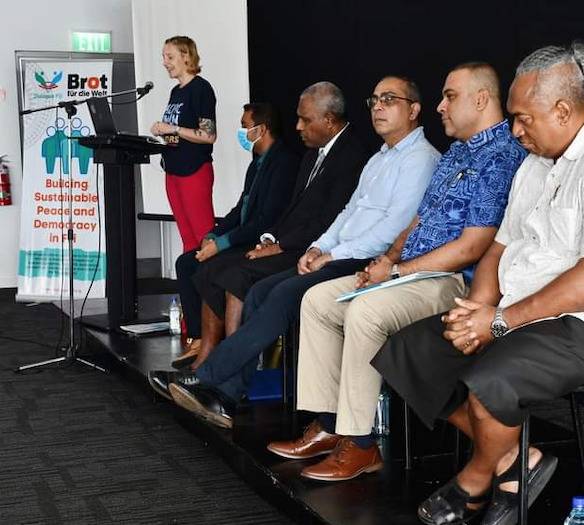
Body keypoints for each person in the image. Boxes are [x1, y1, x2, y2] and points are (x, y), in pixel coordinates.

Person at [370, 42, 584, 525]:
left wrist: (499, 323)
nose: (514, 131)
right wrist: (480, 307)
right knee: (412, 351)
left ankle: (476, 478)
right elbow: (495, 251)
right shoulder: (535, 163)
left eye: (522, 118)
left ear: (562, 109)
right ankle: (516, 459)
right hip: (515, 312)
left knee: (492, 378)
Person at [267, 62, 527, 482]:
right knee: (316, 300)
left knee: (365, 314)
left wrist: (399, 270)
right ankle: (332, 424)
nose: (440, 106)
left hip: (455, 283)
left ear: (481, 100)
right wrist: (387, 261)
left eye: (450, 96)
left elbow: (473, 247)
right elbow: (417, 222)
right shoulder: (459, 150)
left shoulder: (502, 157)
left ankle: (362, 444)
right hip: (411, 273)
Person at [152, 76, 442, 425]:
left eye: (389, 99)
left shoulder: (421, 160)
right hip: (337, 253)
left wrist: (330, 255)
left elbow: (392, 230)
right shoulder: (379, 159)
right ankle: (226, 398)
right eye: (375, 99)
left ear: (414, 110)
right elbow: (347, 213)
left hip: (366, 261)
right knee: (259, 291)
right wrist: (319, 247)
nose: (377, 106)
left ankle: (210, 378)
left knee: (281, 294)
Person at [147, 81, 368, 399]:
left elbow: (330, 220)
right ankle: (209, 364)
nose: (298, 127)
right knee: (210, 270)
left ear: (329, 120)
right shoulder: (311, 156)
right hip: (293, 244)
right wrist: (269, 239)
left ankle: (223, 382)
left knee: (237, 276)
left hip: (318, 253)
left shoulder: (351, 157)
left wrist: (281, 245)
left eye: (305, 120)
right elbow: (289, 212)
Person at [171, 103, 299, 370]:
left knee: (212, 267)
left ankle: (218, 354)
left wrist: (222, 245)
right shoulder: (257, 163)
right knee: (187, 262)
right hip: (242, 237)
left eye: (245, 126)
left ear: (261, 129)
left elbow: (268, 219)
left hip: (263, 242)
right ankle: (198, 340)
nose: (242, 133)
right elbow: (240, 208)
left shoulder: (285, 162)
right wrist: (213, 234)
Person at [151, 36, 217, 252]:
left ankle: (208, 284)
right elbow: (178, 136)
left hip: (193, 171)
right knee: (187, 239)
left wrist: (173, 129)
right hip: (173, 170)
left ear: (186, 57)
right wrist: (162, 134)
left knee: (203, 238)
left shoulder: (201, 88)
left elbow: (208, 135)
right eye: (163, 57)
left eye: (170, 56)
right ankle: (189, 285)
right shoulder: (176, 91)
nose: (165, 62)